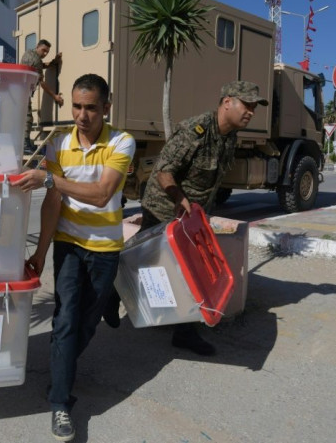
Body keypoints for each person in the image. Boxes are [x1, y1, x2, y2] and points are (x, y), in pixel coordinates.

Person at [105, 80, 268, 356]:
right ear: (227, 101)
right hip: (163, 207)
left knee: (190, 270)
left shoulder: (229, 136)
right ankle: (110, 296)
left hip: (191, 216)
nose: (251, 111)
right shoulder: (196, 130)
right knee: (143, 263)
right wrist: (182, 202)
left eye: (254, 107)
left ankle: (184, 331)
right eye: (246, 104)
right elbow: (164, 173)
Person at [14, 74, 135, 442]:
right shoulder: (58, 144)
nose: (82, 115)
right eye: (77, 107)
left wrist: (50, 180)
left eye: (91, 108)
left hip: (105, 247)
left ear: (106, 108)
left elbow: (101, 194)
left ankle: (61, 363)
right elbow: (54, 202)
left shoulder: (121, 141)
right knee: (65, 320)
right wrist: (40, 251)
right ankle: (60, 402)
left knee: (85, 323)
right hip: (68, 243)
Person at [20, 39, 64, 154]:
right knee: (28, 118)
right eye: (43, 50)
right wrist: (55, 96)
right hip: (24, 91)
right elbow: (42, 83)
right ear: (37, 46)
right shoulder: (36, 60)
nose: (44, 54)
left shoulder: (28, 54)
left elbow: (40, 65)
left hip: (20, 89)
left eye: (47, 52)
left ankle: (26, 143)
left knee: (25, 117)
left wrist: (53, 62)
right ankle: (24, 145)